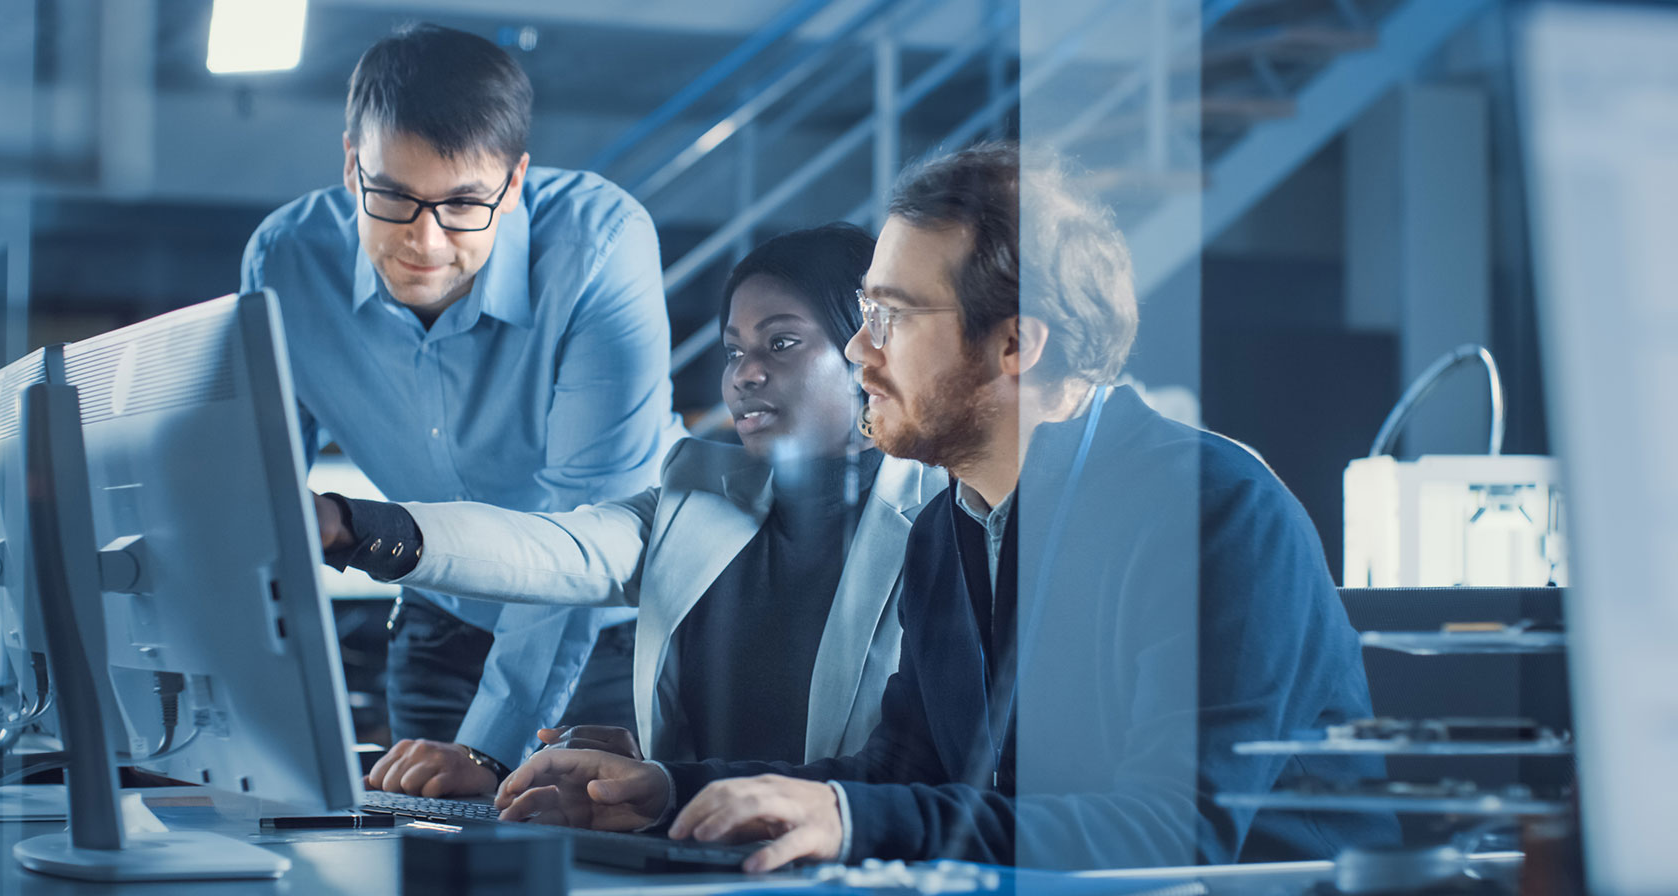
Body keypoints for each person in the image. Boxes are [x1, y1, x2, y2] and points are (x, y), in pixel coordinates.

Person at [488, 143, 1401, 871]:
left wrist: (853, 817)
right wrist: (665, 793)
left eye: (889, 315)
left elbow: (1168, 837)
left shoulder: (1215, 513)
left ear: (1014, 344)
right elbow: (902, 777)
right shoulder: (949, 523)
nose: (855, 350)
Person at [314, 224, 948, 796]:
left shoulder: (947, 519)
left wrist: (661, 777)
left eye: (781, 342)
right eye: (733, 350)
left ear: (866, 351)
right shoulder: (696, 490)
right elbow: (553, 549)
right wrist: (352, 527)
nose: (745, 374)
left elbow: (916, 775)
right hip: (700, 863)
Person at [240, 23, 679, 796]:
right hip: (440, 620)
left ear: (513, 184)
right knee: (418, 854)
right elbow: (258, 492)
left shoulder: (600, 247)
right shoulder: (284, 261)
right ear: (351, 165)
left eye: (464, 204)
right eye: (394, 196)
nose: (426, 240)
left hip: (610, 632)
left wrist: (488, 748)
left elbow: (588, 536)